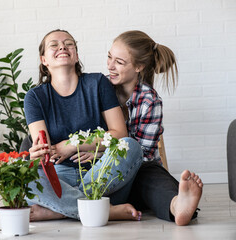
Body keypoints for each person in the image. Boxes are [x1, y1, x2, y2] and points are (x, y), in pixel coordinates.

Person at [74, 30, 203, 226]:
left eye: (119, 62)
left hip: (140, 166)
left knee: (153, 182)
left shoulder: (150, 101)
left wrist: (100, 154)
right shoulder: (101, 89)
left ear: (139, 66)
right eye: (109, 57)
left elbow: (144, 152)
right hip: (101, 168)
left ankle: (178, 205)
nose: (110, 66)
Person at [23, 29, 143, 222]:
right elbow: (46, 151)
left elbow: (120, 134)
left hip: (103, 176)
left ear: (76, 55)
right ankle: (104, 210)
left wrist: (72, 144)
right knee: (26, 176)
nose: (62, 46)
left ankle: (61, 210)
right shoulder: (35, 97)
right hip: (59, 179)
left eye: (69, 43)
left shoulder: (98, 83)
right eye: (54, 45)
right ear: (44, 60)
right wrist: (37, 153)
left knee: (131, 147)